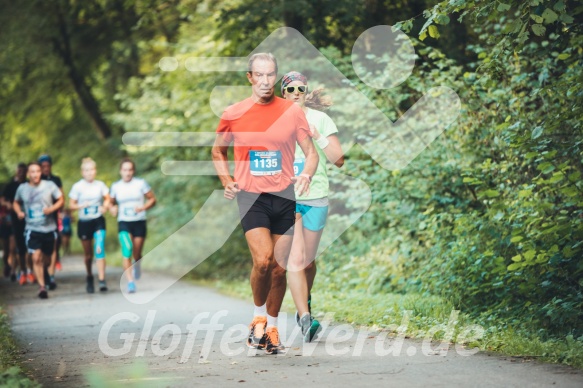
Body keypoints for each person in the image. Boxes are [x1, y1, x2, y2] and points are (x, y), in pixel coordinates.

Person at [211, 53, 319, 354]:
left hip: (284, 195)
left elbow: (311, 152)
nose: (265, 81)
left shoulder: (292, 112)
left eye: (270, 75)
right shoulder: (233, 113)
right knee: (263, 261)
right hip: (251, 196)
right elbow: (218, 152)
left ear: (275, 76)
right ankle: (257, 317)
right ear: (249, 77)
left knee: (279, 269)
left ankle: (271, 328)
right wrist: (226, 180)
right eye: (259, 75)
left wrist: (307, 174)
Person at [281, 71, 345, 342]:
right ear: (282, 93)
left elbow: (338, 160)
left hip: (315, 196)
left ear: (307, 92)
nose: (296, 92)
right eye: (291, 88)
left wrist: (317, 134)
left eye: (301, 88)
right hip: (285, 197)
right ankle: (305, 318)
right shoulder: (274, 119)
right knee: (294, 259)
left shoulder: (320, 119)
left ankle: (304, 301)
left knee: (307, 261)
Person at [13, 162, 64, 299]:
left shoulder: (49, 186)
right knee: (36, 258)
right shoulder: (22, 188)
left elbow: (61, 199)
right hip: (32, 229)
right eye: (32, 172)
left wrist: (52, 209)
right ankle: (42, 287)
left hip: (49, 228)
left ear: (41, 172)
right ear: (28, 174)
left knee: (46, 259)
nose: (35, 174)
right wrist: (19, 212)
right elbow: (16, 202)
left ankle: (46, 273)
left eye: (37, 171)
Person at [109, 158, 156, 294]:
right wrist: (112, 208)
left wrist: (143, 207)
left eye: (130, 170)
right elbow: (110, 202)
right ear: (120, 171)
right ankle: (130, 282)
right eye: (125, 170)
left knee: (137, 252)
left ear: (133, 171)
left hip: (139, 222)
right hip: (124, 221)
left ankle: (138, 263)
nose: (127, 173)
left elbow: (152, 199)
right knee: (127, 248)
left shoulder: (140, 184)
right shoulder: (116, 186)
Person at [68, 158, 111, 293]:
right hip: (84, 222)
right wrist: (81, 205)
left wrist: (104, 207)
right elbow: (71, 205)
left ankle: (102, 280)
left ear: (95, 171)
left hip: (98, 221)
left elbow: (108, 198)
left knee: (99, 248)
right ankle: (89, 276)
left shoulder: (100, 185)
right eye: (86, 170)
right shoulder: (77, 187)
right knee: (88, 255)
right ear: (82, 172)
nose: (89, 173)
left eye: (91, 170)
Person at [3, 163, 33, 285]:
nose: (21, 173)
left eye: (23, 171)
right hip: (15, 220)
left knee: (30, 246)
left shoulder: (29, 185)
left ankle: (30, 271)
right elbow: (3, 199)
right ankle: (23, 272)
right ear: (16, 171)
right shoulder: (11, 185)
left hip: (30, 220)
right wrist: (10, 206)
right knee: (18, 248)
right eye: (19, 171)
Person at [38, 154, 64, 275]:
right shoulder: (35, 181)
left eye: (48, 166)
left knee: (53, 245)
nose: (46, 168)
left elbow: (61, 197)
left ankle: (51, 273)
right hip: (37, 218)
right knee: (41, 248)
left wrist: (59, 211)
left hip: (52, 216)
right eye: (43, 166)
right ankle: (43, 271)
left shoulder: (56, 180)